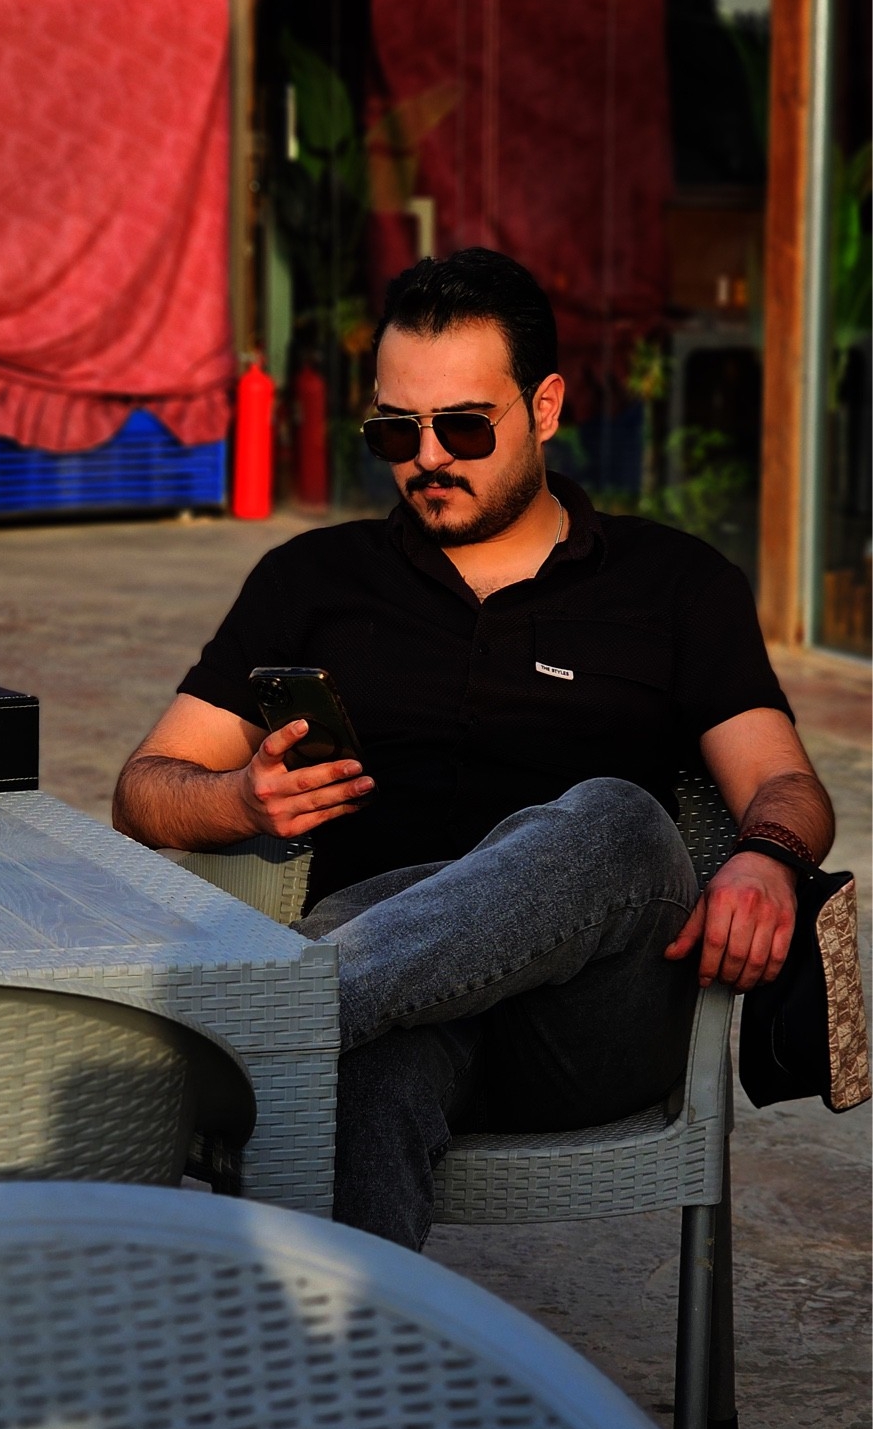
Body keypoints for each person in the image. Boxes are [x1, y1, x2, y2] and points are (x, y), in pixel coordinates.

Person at [113, 248, 834, 1249]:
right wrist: (239, 800)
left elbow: (785, 783)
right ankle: (336, 1351)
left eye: (461, 426)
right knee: (366, 1082)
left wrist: (768, 858)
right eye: (394, 431)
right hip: (401, 1009)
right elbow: (144, 790)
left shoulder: (674, 584)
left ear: (544, 408)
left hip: (585, 1021)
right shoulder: (313, 580)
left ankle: (265, 1017)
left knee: (615, 818)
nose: (427, 458)